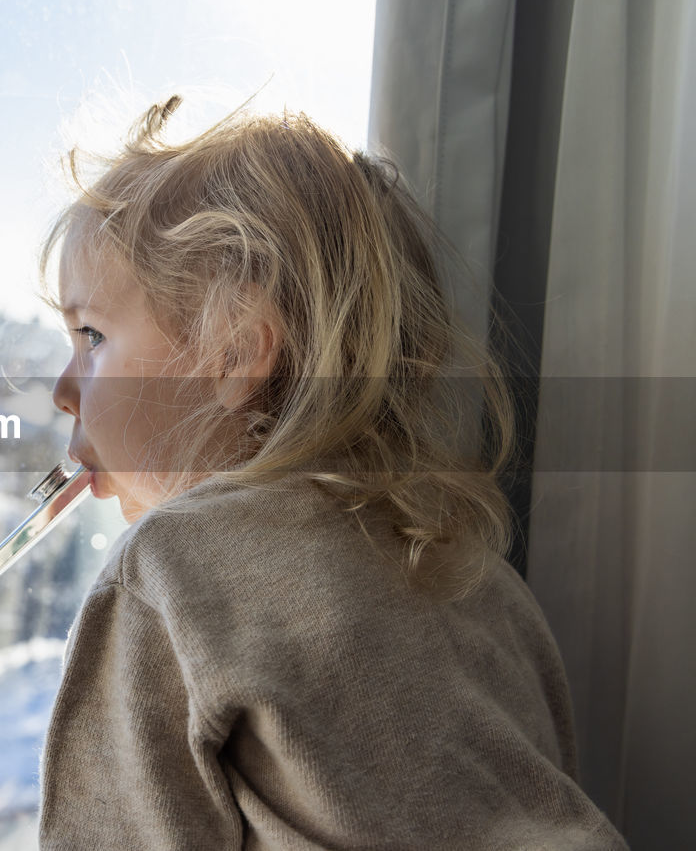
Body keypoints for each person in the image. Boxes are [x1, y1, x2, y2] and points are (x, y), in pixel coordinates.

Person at [38, 96, 627, 849]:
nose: (62, 389)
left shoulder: (170, 572)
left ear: (237, 349)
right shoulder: (482, 576)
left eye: (91, 336)